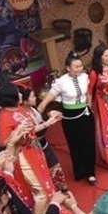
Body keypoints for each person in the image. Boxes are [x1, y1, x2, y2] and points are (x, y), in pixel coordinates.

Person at [0, 83, 57, 214]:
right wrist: (18, 133)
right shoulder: (4, 116)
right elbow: (5, 142)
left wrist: (48, 123)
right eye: (17, 93)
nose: (20, 95)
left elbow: (31, 129)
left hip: (35, 151)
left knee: (44, 184)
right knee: (39, 190)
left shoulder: (19, 109)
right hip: (23, 156)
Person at [39, 51, 96, 184]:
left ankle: (90, 172)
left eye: (81, 66)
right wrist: (40, 110)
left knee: (89, 143)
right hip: (70, 117)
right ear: (68, 68)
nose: (79, 69)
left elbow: (88, 92)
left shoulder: (85, 77)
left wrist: (89, 104)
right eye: (76, 67)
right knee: (75, 144)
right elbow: (49, 98)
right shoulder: (61, 82)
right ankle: (79, 171)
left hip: (85, 114)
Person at [19, 86, 67, 190]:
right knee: (42, 170)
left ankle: (61, 188)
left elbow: (41, 122)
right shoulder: (22, 115)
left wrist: (50, 115)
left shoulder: (32, 109)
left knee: (54, 165)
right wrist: (49, 121)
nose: (35, 97)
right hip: (33, 146)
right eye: (32, 96)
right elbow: (34, 129)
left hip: (43, 142)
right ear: (25, 101)